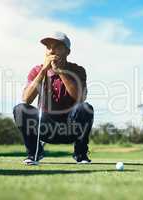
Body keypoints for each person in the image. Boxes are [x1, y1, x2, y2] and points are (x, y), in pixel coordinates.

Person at [13, 31, 94, 165]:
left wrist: (60, 72)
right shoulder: (37, 70)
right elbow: (26, 100)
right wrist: (43, 71)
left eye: (56, 46)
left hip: (70, 128)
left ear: (67, 52)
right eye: (48, 47)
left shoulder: (78, 70)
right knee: (20, 109)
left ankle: (81, 154)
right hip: (45, 129)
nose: (51, 50)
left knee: (85, 108)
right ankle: (34, 153)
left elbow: (80, 98)